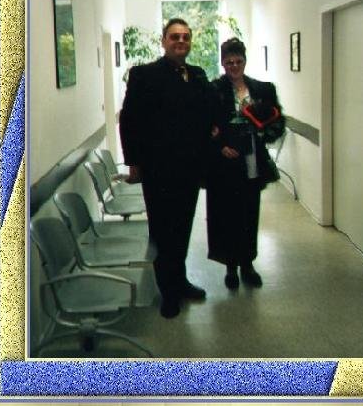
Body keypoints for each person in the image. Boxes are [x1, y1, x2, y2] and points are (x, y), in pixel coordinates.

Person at [119, 18, 213, 318]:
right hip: (158, 170)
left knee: (183, 228)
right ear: (163, 41)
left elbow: (207, 113)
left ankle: (180, 281)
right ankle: (168, 292)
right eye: (175, 36)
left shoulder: (197, 75)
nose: (180, 41)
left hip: (190, 170)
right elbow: (129, 121)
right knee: (163, 232)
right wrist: (133, 164)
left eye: (185, 37)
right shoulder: (144, 75)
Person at [206, 37, 285, 290]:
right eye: (229, 62)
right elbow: (203, 125)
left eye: (238, 61)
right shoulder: (212, 89)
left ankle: (247, 264)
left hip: (251, 159)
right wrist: (220, 146)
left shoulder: (262, 89)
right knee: (226, 214)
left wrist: (263, 134)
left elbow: (278, 122)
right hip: (224, 162)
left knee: (249, 212)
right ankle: (230, 266)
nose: (234, 66)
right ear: (222, 63)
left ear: (245, 61)